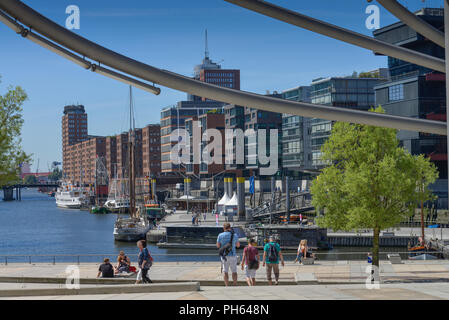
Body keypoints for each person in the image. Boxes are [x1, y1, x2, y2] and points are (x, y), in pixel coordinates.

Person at [216, 222, 240, 286]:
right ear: (230, 228)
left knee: (225, 271)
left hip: (224, 256)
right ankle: (234, 284)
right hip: (233, 255)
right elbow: (238, 245)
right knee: (234, 271)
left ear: (223, 228)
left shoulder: (220, 235)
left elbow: (218, 246)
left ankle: (227, 285)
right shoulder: (234, 235)